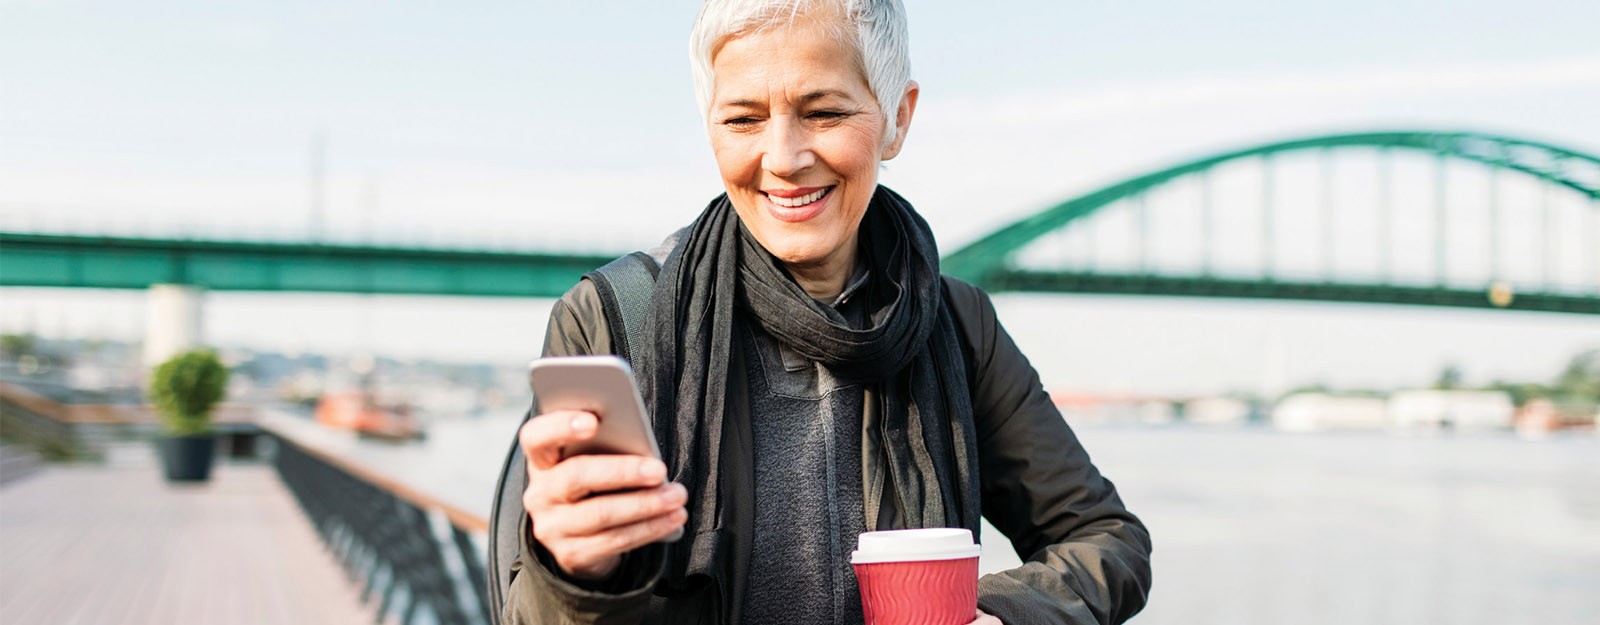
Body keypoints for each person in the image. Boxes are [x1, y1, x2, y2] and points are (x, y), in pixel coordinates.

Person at [504, 1, 1152, 623]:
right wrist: (571, 573)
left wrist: (1006, 613)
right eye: (742, 119)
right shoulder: (612, 320)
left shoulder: (959, 323)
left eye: (823, 112)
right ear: (709, 125)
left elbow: (1106, 538)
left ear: (899, 117)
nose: (783, 159)